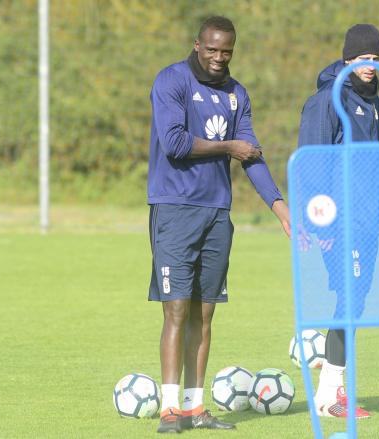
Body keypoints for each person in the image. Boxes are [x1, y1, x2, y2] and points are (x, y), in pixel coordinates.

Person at [147, 16, 291, 434]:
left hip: (216, 214)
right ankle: (169, 408)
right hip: (174, 209)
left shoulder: (236, 94)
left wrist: (279, 206)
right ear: (197, 45)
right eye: (211, 49)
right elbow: (174, 143)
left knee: (205, 314)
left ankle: (195, 407)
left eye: (226, 51)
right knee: (175, 309)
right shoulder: (170, 81)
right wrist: (230, 146)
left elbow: (252, 155)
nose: (218, 57)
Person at [296, 24, 379, 419]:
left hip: (366, 220)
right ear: (347, 60)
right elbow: (310, 166)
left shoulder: (372, 101)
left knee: (354, 300)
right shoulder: (327, 101)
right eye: (363, 59)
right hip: (339, 224)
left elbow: (378, 160)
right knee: (350, 299)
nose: (370, 66)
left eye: (376, 59)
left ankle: (325, 368)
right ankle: (329, 397)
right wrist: (321, 224)